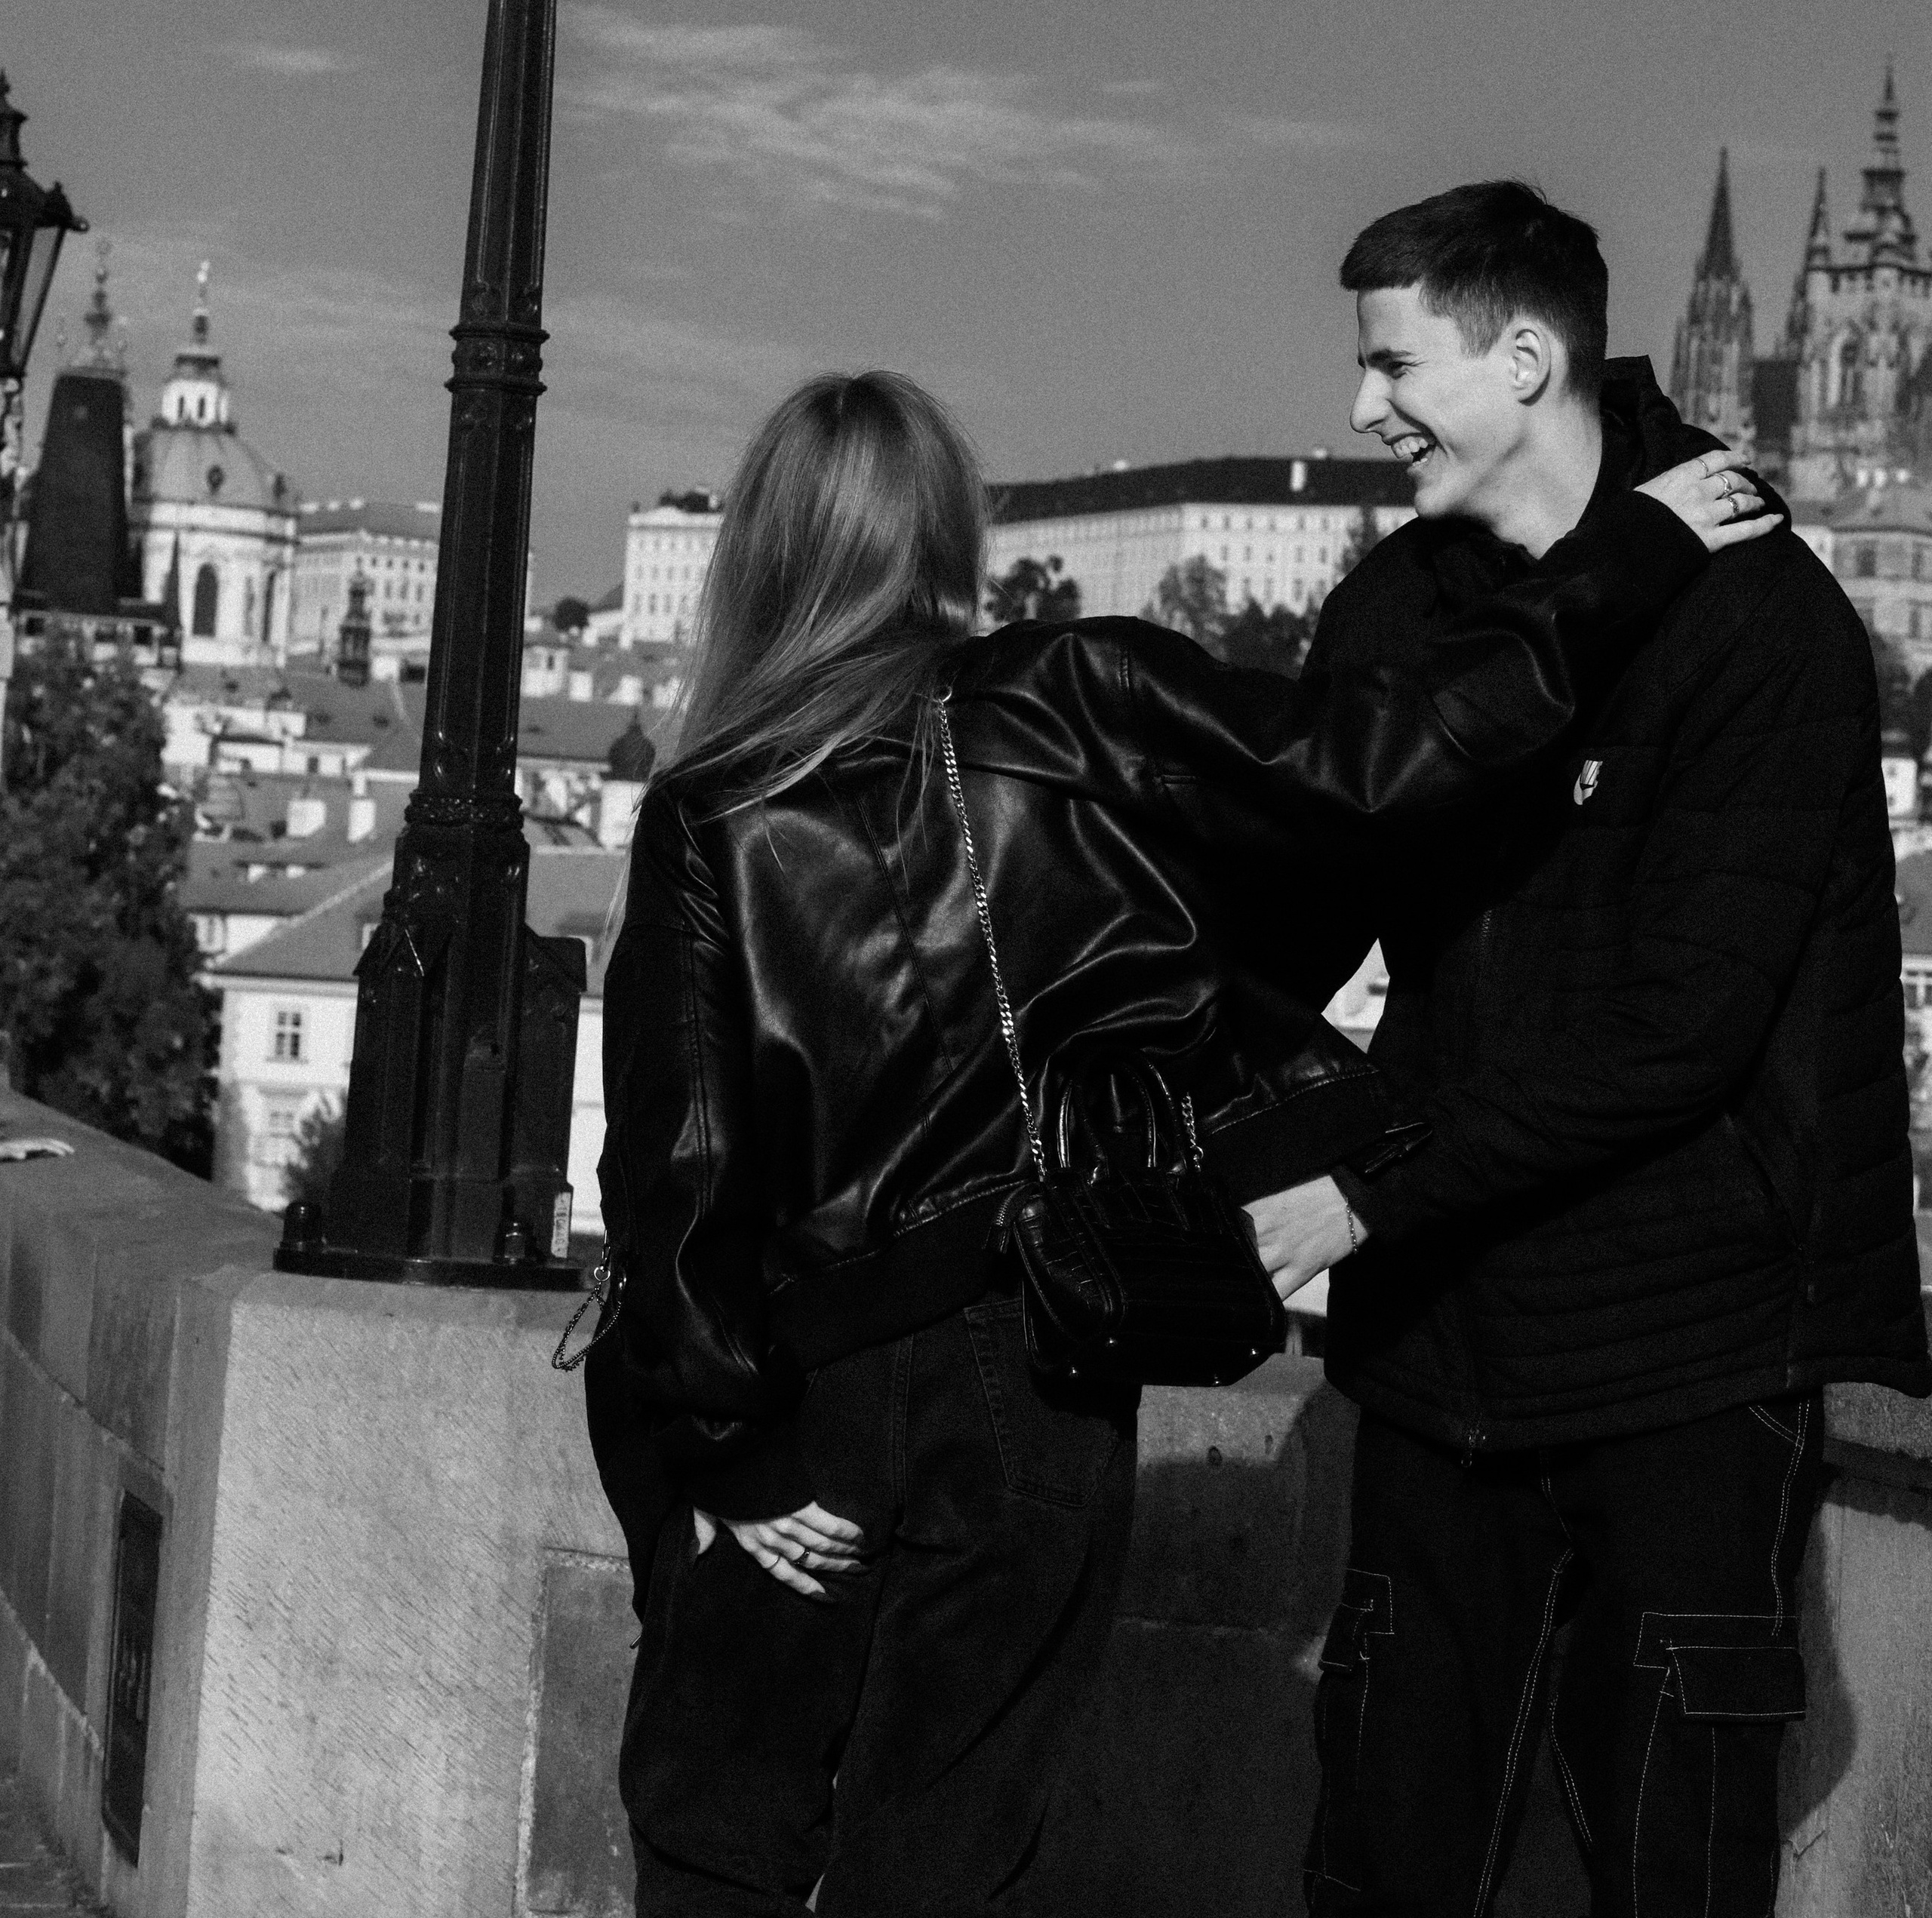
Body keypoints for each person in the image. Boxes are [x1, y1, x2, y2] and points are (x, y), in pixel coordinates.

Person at [589, 367, 1767, 1918]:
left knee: (718, 1836)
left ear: (756, 549)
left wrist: (725, 1444)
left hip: (803, 1376)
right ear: (949, 526)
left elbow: (671, 1167)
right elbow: (1382, 752)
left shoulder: (710, 804)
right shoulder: (1069, 694)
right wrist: (1635, 547)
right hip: (1038, 1354)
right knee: (950, 1853)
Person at [1247, 181, 1931, 1918]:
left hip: (1680, 1361)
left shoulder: (1762, 616)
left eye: (1391, 362)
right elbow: (1286, 919)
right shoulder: (1400, 607)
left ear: (1524, 357)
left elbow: (1676, 1033)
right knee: (1380, 1870)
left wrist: (1356, 1193)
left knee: (1666, 1877)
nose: (1358, 408)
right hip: (1440, 1356)